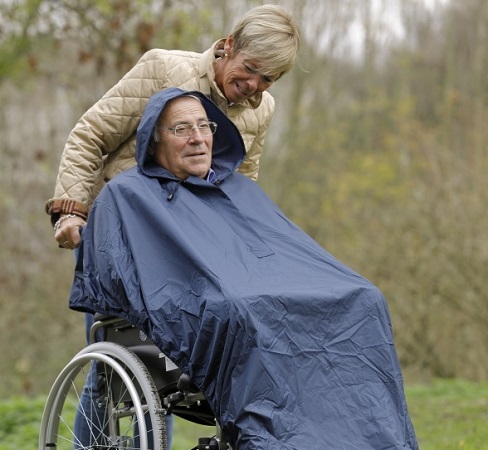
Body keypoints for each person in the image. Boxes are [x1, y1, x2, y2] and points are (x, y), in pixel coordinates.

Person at [70, 87, 419, 449]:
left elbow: (284, 250)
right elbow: (128, 276)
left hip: (262, 295)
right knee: (243, 310)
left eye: (204, 127)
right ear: (153, 141)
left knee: (365, 299)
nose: (197, 139)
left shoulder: (238, 189)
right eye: (181, 130)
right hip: (201, 310)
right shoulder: (126, 195)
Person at [47, 5, 299, 447]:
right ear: (228, 46)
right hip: (127, 239)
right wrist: (72, 210)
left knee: (185, 369)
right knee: (120, 370)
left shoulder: (261, 110)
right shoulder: (165, 69)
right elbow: (91, 136)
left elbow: (240, 184)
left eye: (269, 80)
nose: (255, 87)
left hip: (192, 249)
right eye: (251, 70)